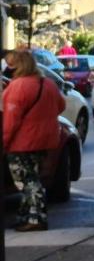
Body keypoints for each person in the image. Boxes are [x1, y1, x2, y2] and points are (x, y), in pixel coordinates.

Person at [2, 50, 65, 232]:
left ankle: (37, 218)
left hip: (22, 142)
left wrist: (4, 142)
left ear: (18, 66)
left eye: (10, 64)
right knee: (33, 177)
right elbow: (60, 106)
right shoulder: (48, 84)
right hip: (45, 139)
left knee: (26, 181)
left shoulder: (18, 86)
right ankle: (25, 215)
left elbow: (11, 121)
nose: (7, 67)